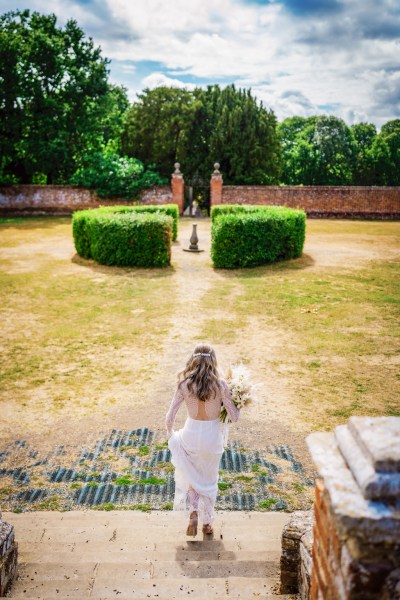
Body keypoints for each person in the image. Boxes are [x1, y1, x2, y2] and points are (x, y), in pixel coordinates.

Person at [165, 344, 240, 537]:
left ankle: (193, 513)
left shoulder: (184, 384)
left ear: (193, 359)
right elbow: (234, 417)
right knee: (209, 478)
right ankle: (207, 523)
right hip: (212, 438)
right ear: (213, 360)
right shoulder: (221, 385)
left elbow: (170, 416)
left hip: (190, 435)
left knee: (193, 477)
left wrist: (171, 435)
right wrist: (237, 399)